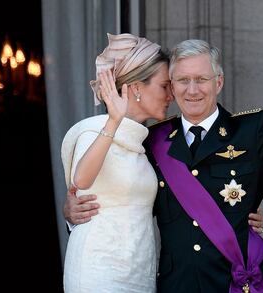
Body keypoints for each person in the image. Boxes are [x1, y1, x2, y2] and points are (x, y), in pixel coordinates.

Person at [65, 37, 263, 292]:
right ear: (172, 88)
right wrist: (73, 212)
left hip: (238, 283)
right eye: (182, 80)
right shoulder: (152, 142)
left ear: (219, 82)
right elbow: (127, 199)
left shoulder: (253, 130)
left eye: (201, 79)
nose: (192, 90)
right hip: (178, 286)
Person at [61, 33, 174, 292]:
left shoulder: (146, 143)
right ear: (135, 87)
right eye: (164, 86)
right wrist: (113, 121)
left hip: (138, 270)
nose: (172, 95)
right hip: (97, 270)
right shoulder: (93, 132)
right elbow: (82, 180)